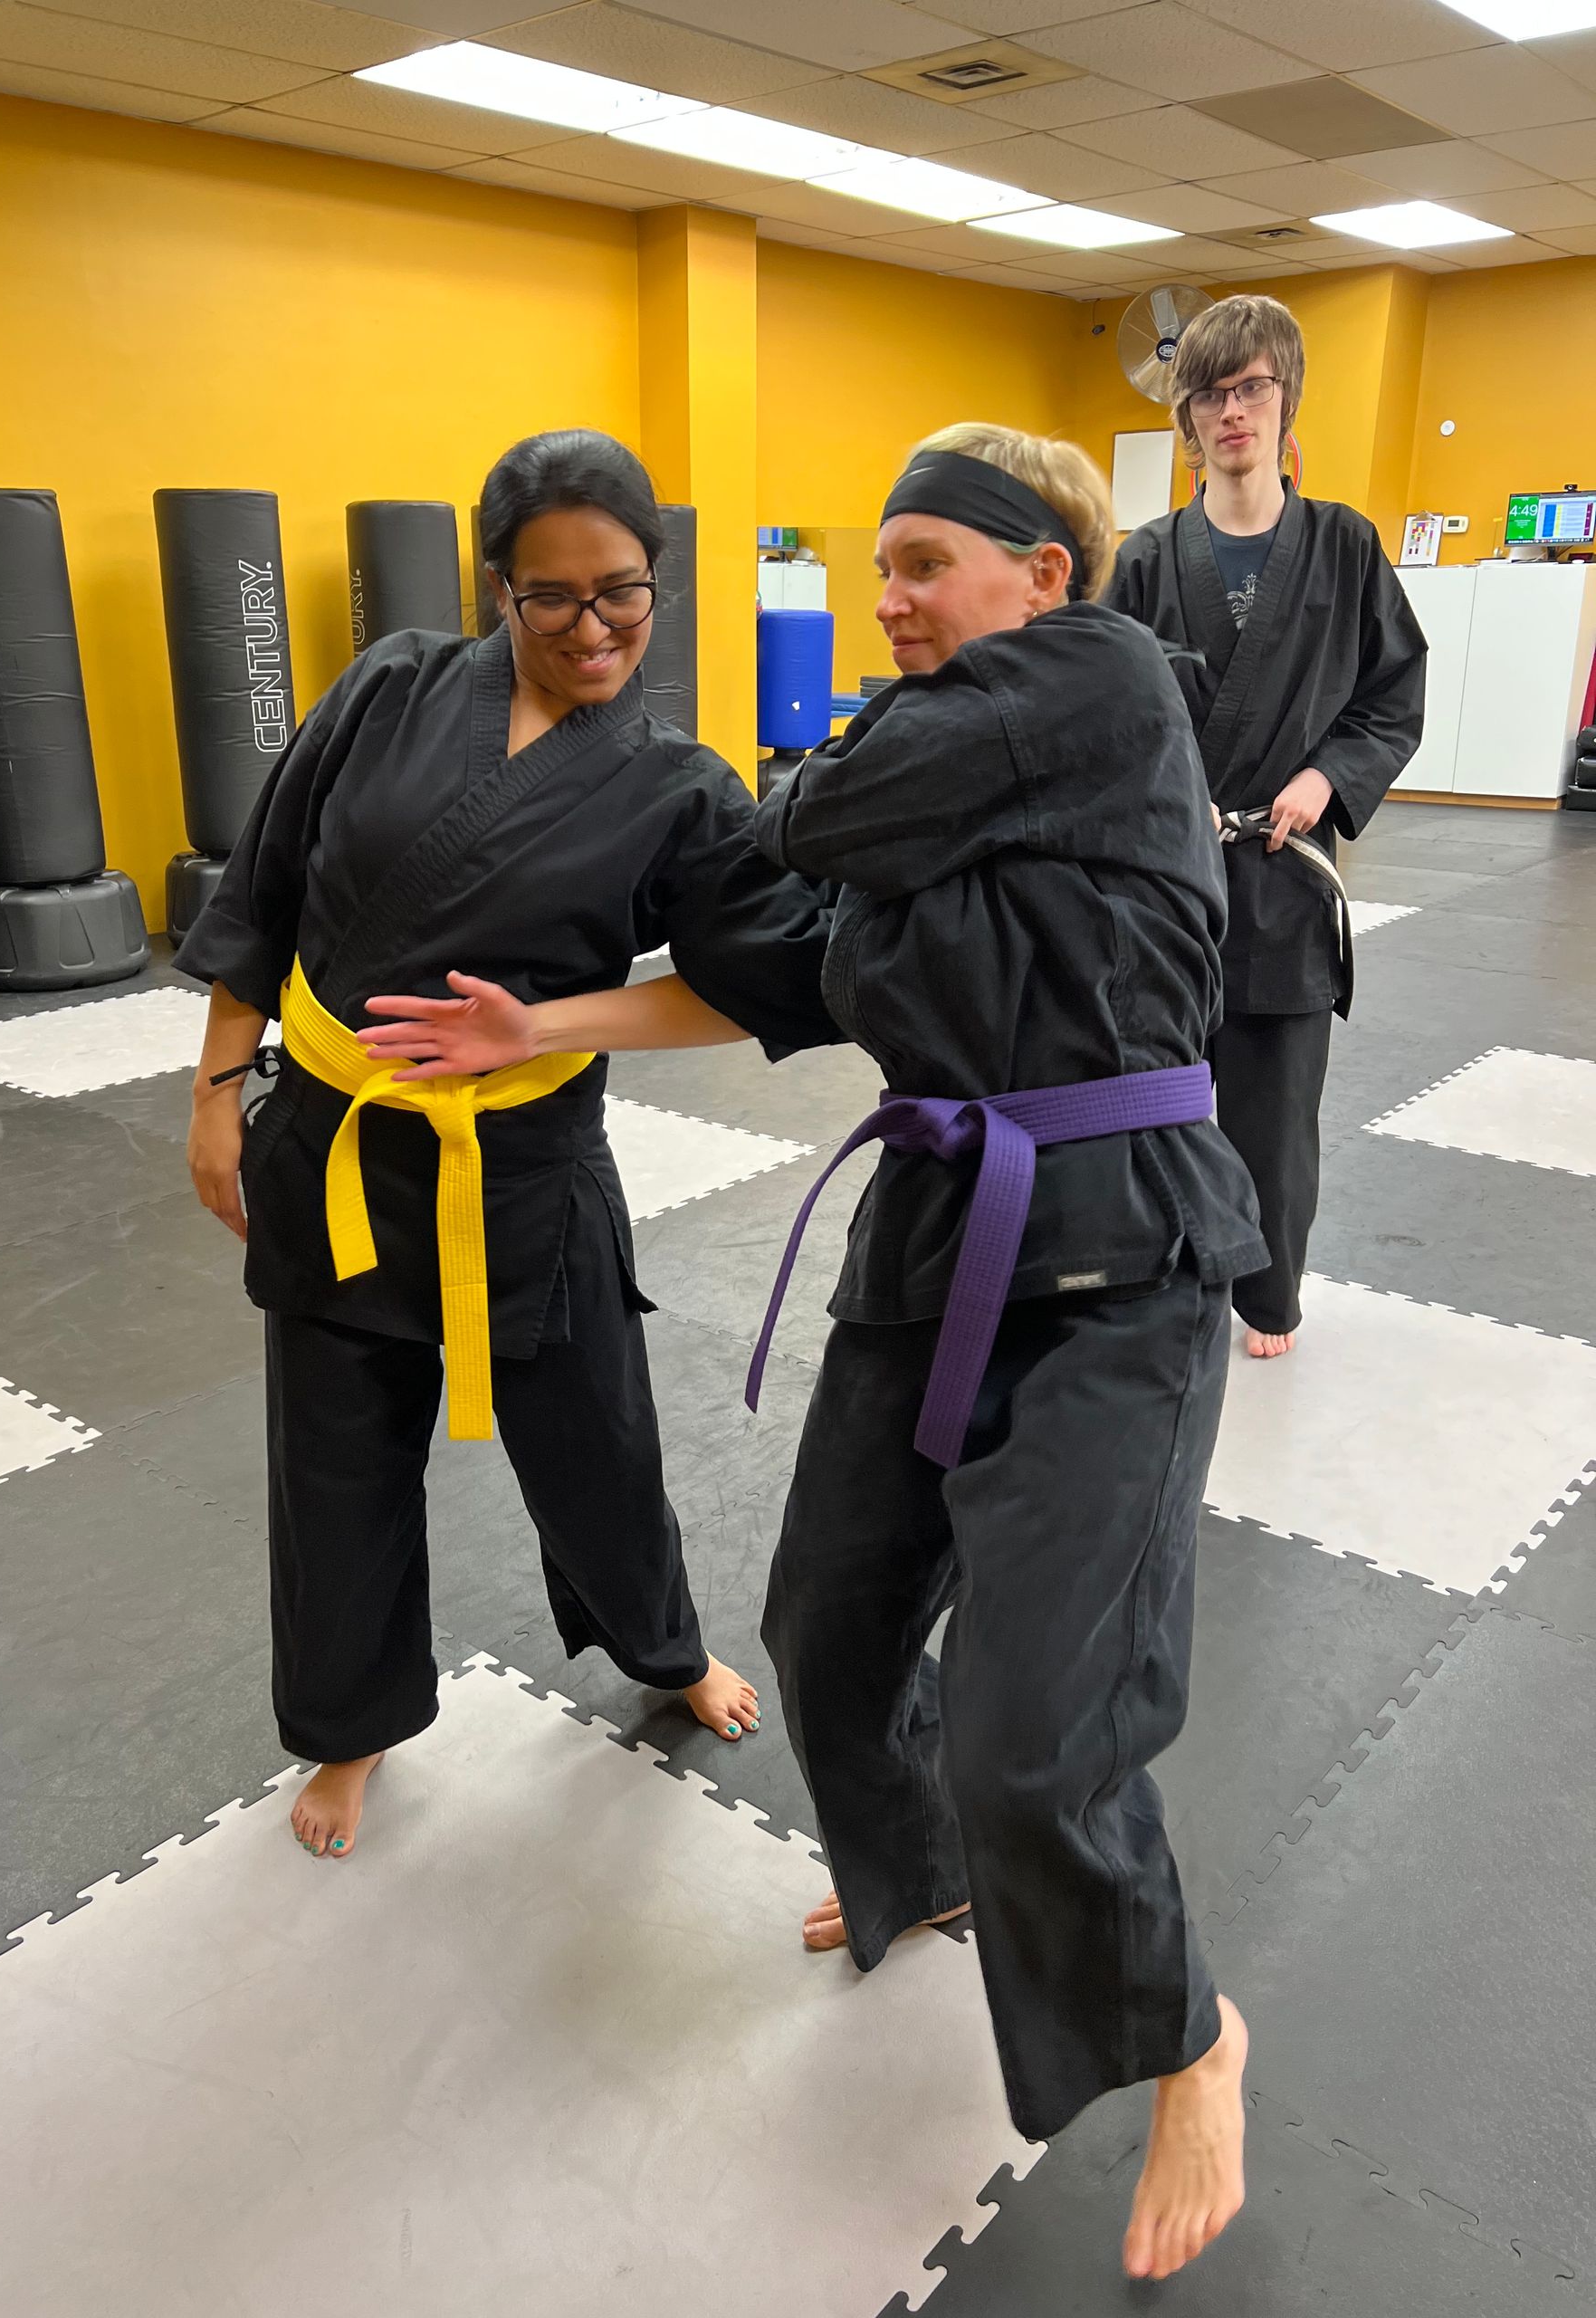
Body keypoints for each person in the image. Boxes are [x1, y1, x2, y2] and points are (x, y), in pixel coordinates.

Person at [359, 423, 1267, 2283]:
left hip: (1123, 1249)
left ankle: (1188, 2029)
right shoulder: (933, 778)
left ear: (1047, 570)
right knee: (830, 1628)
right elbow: (763, 968)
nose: (892, 595)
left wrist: (808, 784)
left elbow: (818, 815)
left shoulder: (1101, 677)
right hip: (936, 1246)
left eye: (931, 559)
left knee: (1040, 1730)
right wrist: (541, 1016)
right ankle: (918, 1861)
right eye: (882, 565)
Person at [180, 429, 835, 1863]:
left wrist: (540, 1027)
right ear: (498, 589)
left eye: (625, 593)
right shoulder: (391, 687)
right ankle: (351, 1728)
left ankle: (661, 1650)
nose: (596, 628)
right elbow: (269, 882)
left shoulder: (682, 784)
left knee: (596, 1442)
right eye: (556, 598)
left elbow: (756, 986)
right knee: (335, 1457)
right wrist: (221, 1085)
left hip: (524, 1166)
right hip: (339, 1141)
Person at [1110, 294, 1427, 1360]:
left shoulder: (1343, 546)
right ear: (1188, 420)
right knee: (1148, 1095)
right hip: (1168, 878)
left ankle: (1267, 1295)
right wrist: (1164, 793)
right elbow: (1104, 705)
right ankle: (1153, 1272)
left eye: (1252, 387)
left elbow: (1391, 696)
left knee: (1274, 1114)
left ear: (1285, 399)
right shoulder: (1148, 558)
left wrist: (1325, 781)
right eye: (1210, 392)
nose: (1232, 410)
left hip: (1287, 869)